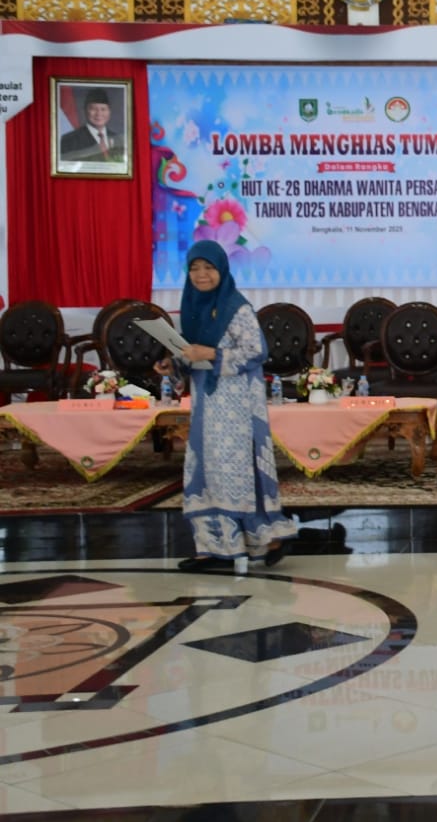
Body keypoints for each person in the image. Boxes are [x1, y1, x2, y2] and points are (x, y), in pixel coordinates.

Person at [155, 241, 296, 572]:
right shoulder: (191, 307)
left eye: (208, 268)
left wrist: (212, 354)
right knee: (204, 471)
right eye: (194, 268)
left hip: (237, 404)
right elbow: (191, 353)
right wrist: (172, 364)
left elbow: (256, 352)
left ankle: (245, 545)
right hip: (207, 401)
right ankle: (213, 548)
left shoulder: (236, 307)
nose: (201, 275)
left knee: (235, 473)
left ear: (222, 270)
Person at [58, 88, 125, 162]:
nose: (99, 114)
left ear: (109, 112)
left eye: (103, 109)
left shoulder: (118, 140)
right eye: (93, 109)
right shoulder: (69, 140)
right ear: (85, 110)